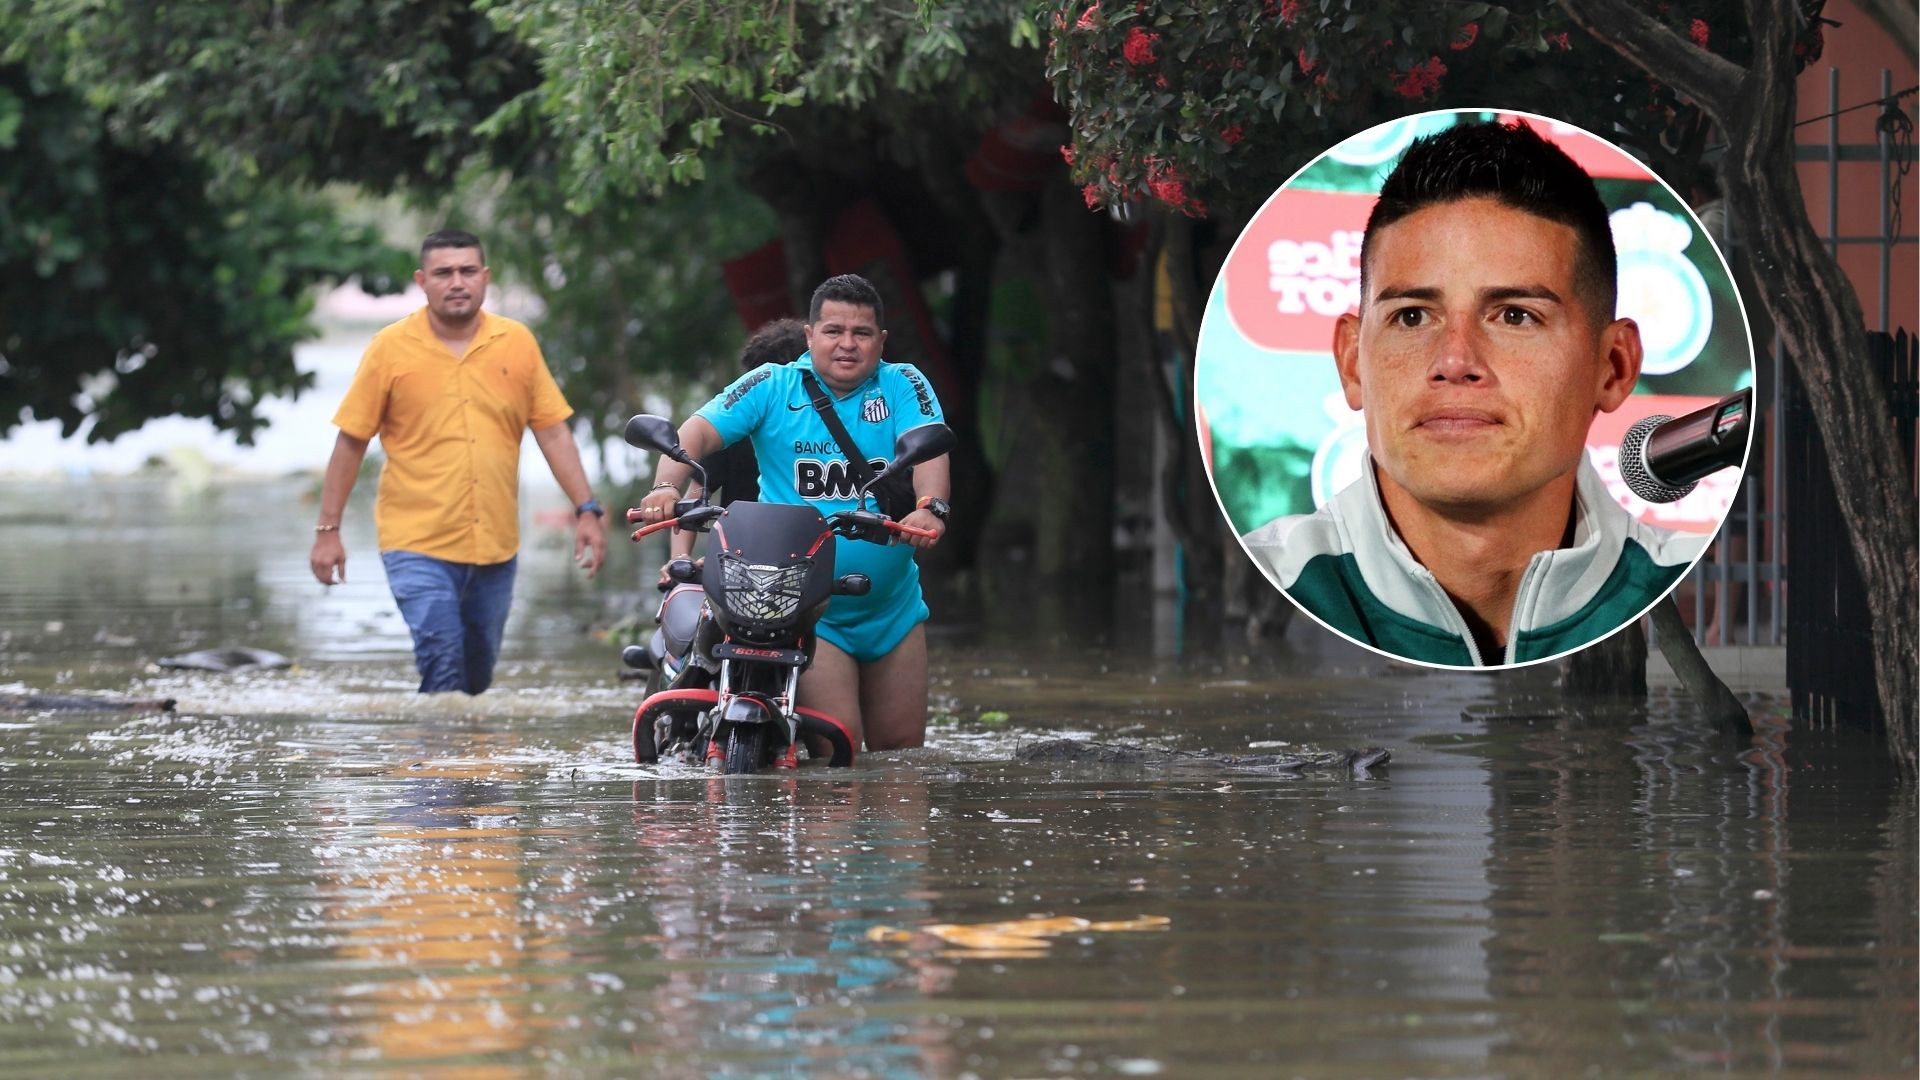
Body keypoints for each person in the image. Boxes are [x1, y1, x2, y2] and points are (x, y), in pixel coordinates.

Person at [1242, 121, 1705, 666]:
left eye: (1515, 316)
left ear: (1613, 366)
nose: (1455, 362)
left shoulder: (1686, 579)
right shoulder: (1278, 580)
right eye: (1412, 317)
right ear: (1351, 362)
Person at [638, 274, 951, 751]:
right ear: (809, 335)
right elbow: (695, 433)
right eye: (833, 331)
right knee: (837, 757)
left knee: (901, 763)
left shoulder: (904, 384)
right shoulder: (770, 384)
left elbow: (929, 449)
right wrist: (665, 486)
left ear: (881, 341)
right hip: (808, 612)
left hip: (894, 608)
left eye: (861, 333)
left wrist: (930, 508)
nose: (847, 344)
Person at [309, 229, 608, 693]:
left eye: (467, 271)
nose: (457, 282)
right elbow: (351, 442)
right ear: (422, 281)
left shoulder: (516, 342)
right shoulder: (390, 348)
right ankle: (436, 763)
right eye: (443, 273)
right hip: (416, 541)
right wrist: (328, 532)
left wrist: (586, 508)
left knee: (476, 680)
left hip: (495, 543)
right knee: (441, 664)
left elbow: (552, 430)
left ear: (485, 278)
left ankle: (466, 764)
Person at [659, 318, 809, 579]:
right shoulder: (731, 433)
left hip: (809, 558)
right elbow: (693, 500)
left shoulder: (831, 431)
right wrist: (680, 559)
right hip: (740, 560)